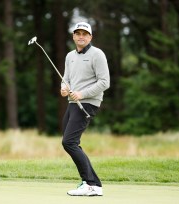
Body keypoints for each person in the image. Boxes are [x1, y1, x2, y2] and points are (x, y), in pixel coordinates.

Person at [60, 22, 110, 196]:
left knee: (69, 142)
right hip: (72, 103)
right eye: (78, 33)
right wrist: (63, 88)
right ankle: (94, 184)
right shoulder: (69, 56)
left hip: (87, 103)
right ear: (73, 36)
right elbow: (66, 78)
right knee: (71, 142)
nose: (81, 36)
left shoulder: (97, 54)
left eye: (84, 33)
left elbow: (105, 82)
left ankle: (89, 183)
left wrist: (81, 94)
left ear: (90, 37)